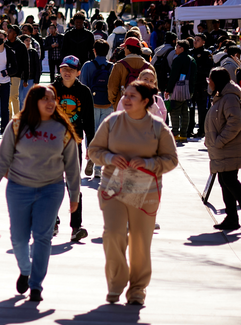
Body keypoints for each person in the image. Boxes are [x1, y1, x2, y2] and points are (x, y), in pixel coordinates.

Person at [0, 85, 81, 301]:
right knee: (18, 238)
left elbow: (72, 166)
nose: (50, 103)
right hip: (19, 188)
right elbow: (3, 157)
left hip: (51, 189)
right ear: (33, 101)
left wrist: (75, 195)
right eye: (45, 99)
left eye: (53, 99)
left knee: (42, 237)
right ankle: (26, 270)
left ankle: (36, 285)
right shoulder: (18, 125)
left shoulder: (62, 128)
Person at [87, 80, 179, 306]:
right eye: (125, 95)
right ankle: (116, 284)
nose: (125, 99)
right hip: (113, 186)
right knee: (113, 234)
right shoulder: (112, 122)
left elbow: (171, 160)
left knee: (140, 240)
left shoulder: (158, 127)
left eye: (132, 96)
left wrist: (149, 163)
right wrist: (109, 158)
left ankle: (138, 289)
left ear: (146, 101)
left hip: (144, 188)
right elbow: (93, 151)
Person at [205, 67, 241, 232]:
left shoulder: (229, 98)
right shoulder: (223, 96)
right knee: (225, 180)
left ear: (217, 81)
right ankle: (232, 218)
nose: (209, 82)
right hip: (226, 148)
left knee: (229, 180)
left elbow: (235, 123)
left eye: (210, 79)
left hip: (230, 148)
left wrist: (220, 141)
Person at [52, 56, 94, 242]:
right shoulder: (52, 89)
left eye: (70, 69)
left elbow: (89, 122)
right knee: (51, 183)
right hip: (52, 143)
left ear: (78, 72)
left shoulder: (84, 92)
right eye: (63, 68)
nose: (66, 72)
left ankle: (76, 226)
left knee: (73, 184)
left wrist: (90, 146)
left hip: (73, 142)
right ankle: (51, 220)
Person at [80, 40, 115, 169]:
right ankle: (99, 168)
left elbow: (83, 86)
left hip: (91, 105)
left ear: (94, 51)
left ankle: (90, 154)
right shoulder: (112, 66)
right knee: (104, 135)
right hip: (107, 105)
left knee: (91, 133)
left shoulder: (87, 66)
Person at [166, 40, 196, 140]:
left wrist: (168, 90)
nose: (175, 49)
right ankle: (184, 134)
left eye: (177, 47)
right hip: (189, 89)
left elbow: (173, 76)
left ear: (182, 48)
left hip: (178, 89)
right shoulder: (192, 60)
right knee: (185, 111)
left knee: (175, 110)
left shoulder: (178, 59)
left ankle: (175, 133)